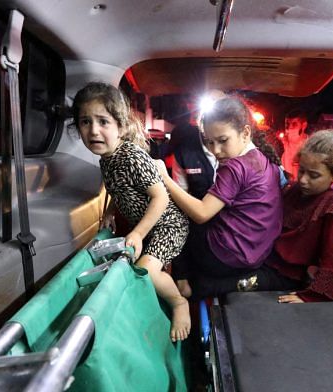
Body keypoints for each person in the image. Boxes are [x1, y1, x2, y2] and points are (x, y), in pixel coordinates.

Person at [72, 82, 190, 341]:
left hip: (169, 224)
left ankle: (180, 303)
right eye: (85, 122)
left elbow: (160, 198)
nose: (93, 130)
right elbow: (117, 189)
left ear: (121, 127)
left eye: (103, 121)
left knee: (145, 269)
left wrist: (137, 233)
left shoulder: (131, 156)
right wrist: (111, 212)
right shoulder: (107, 159)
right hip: (150, 224)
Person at [156, 96, 284, 298]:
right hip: (257, 255)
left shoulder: (235, 166)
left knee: (177, 218)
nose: (216, 150)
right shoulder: (263, 159)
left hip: (224, 259)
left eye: (223, 141)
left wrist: (164, 178)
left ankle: (183, 284)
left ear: (245, 133)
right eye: (209, 142)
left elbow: (201, 213)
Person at [265, 130, 333, 302]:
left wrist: (312, 295)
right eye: (301, 171)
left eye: (314, 175)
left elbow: (331, 256)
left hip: (289, 278)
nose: (303, 180)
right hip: (267, 263)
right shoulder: (293, 190)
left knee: (217, 284)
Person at [280, 109, 309, 180]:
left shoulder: (310, 147)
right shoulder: (282, 146)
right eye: (287, 124)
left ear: (304, 125)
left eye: (294, 124)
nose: (289, 127)